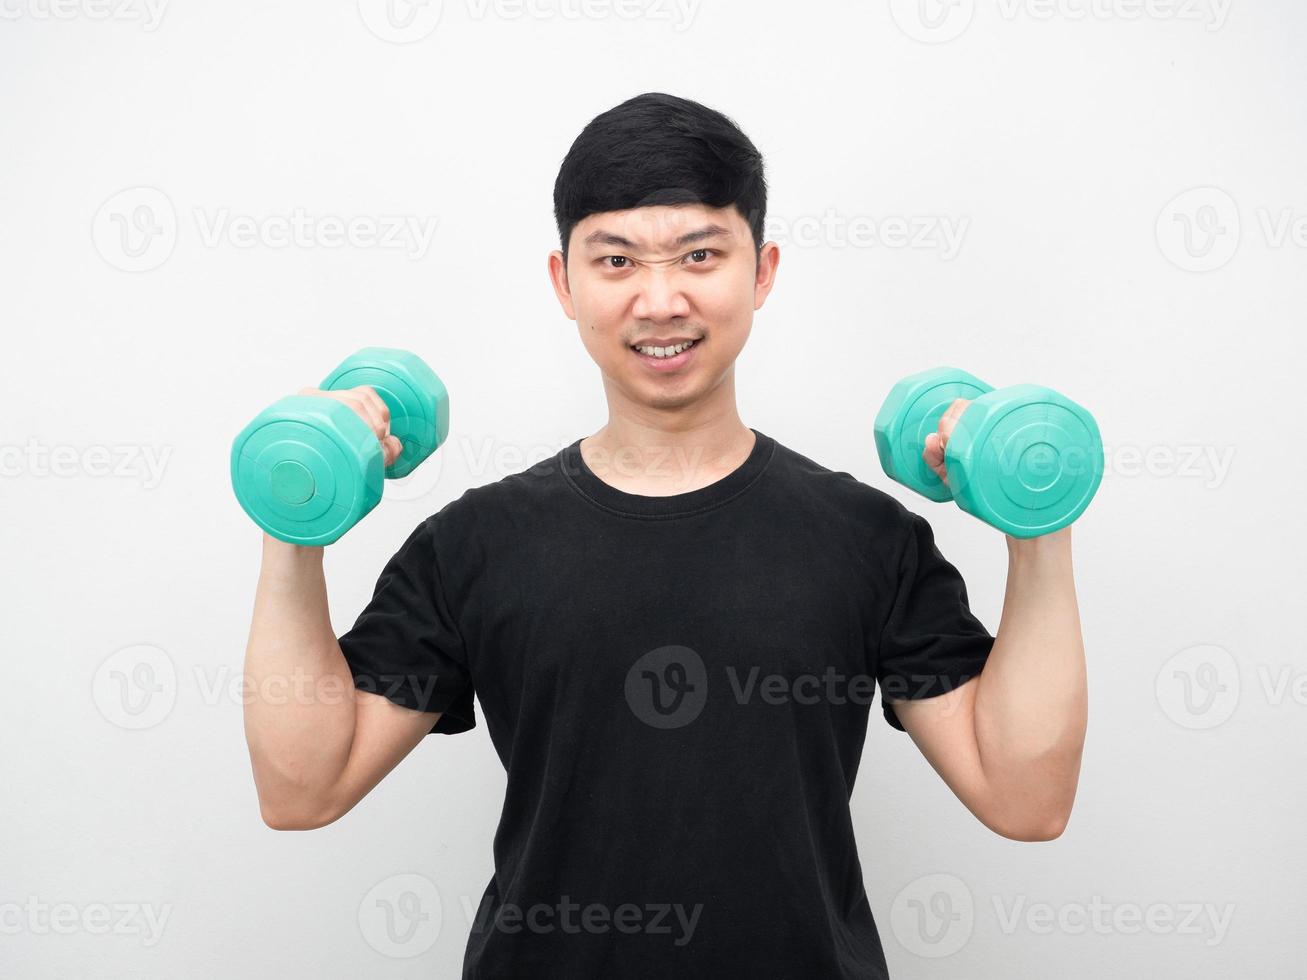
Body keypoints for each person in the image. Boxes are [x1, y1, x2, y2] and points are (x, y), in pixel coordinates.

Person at [242, 91, 1088, 979]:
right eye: (615, 260)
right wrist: (293, 528)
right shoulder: (473, 546)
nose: (659, 299)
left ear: (760, 272)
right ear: (563, 283)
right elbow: (304, 788)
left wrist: (1037, 527)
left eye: (698, 255)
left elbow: (1025, 800)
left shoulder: (868, 539)